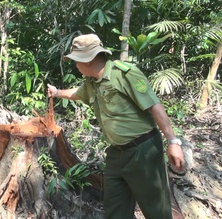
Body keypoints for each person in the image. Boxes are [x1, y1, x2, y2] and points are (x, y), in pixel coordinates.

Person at [47, 33, 185, 219]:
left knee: (156, 211)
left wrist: (173, 141)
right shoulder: (92, 82)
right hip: (116, 155)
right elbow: (78, 93)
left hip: (142, 152)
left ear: (87, 60)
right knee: (115, 210)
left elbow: (154, 106)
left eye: (76, 61)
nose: (76, 66)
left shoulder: (124, 74)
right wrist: (57, 92)